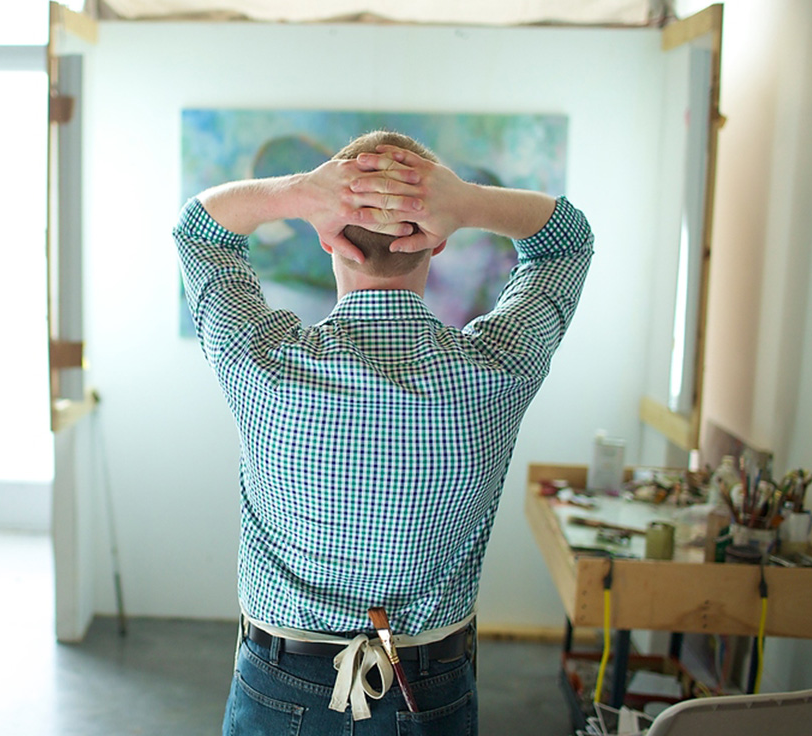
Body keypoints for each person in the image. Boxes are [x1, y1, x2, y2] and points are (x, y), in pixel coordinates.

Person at [174, 130, 593, 735]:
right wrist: (465, 201)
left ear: (328, 239)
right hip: (428, 688)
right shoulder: (494, 375)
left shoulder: (263, 365)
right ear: (437, 242)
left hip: (280, 680)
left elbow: (198, 230)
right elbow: (565, 243)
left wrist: (303, 191)